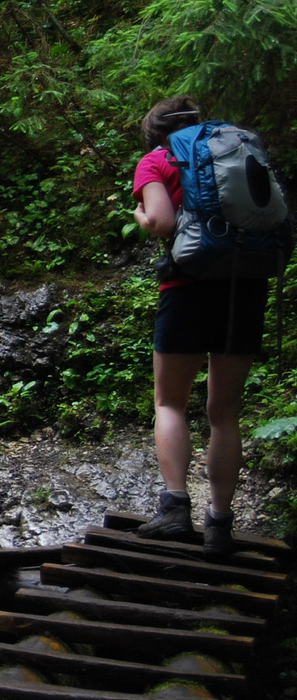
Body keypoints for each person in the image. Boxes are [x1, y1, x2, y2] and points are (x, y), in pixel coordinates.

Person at [131, 96, 266, 555]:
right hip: (245, 287)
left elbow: (162, 221)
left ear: (154, 132)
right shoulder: (235, 151)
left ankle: (174, 509)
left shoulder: (158, 160)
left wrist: (142, 217)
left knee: (170, 402)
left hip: (188, 286)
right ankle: (220, 525)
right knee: (224, 413)